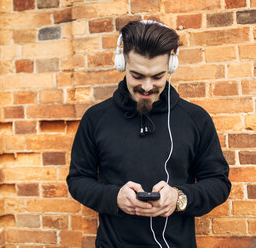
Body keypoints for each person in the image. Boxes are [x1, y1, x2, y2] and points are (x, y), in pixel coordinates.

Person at [66, 20, 231, 248]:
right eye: (137, 75)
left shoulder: (196, 118)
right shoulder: (96, 118)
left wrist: (179, 198)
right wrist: (115, 198)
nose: (146, 86)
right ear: (122, 63)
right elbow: (77, 180)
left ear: (171, 67)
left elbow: (218, 183)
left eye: (157, 77)